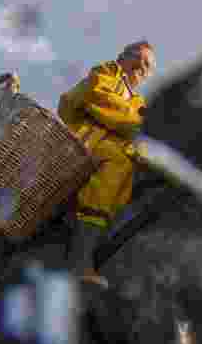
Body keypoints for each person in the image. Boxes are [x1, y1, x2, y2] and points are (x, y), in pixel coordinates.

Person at [57, 40, 156, 286]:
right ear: (123, 56)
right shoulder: (107, 73)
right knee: (118, 162)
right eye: (140, 60)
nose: (142, 68)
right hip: (81, 143)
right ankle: (79, 260)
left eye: (148, 67)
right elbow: (101, 100)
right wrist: (143, 127)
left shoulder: (139, 103)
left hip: (111, 149)